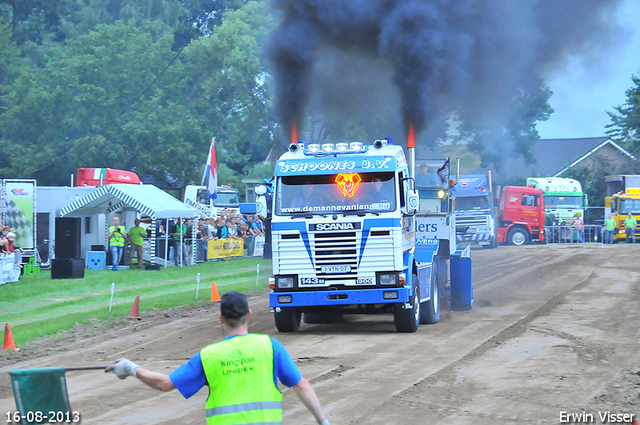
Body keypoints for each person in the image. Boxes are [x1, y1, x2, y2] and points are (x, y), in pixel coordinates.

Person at [105, 292, 330, 425]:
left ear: (221, 318)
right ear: (249, 316)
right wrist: (323, 421)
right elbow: (301, 385)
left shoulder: (208, 355)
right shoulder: (270, 346)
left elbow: (165, 384)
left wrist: (131, 368)